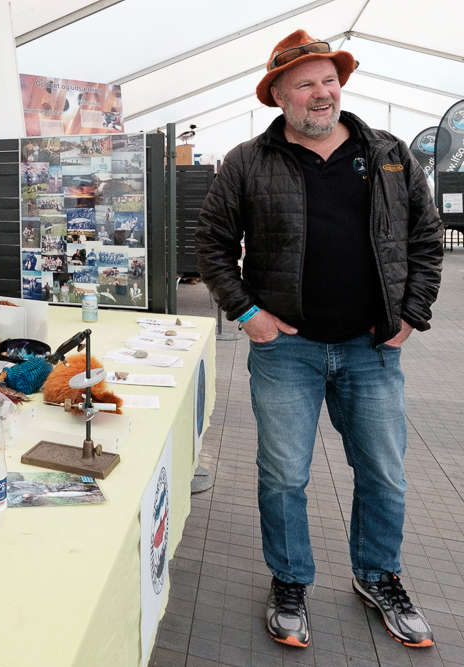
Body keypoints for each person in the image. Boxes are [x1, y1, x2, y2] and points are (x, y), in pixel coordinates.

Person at [196, 30, 442, 650]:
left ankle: (377, 576)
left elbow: (425, 238)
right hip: (286, 350)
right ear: (278, 95)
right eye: (304, 83)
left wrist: (411, 315)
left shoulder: (388, 154)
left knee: (384, 474)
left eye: (329, 79)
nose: (321, 93)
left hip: (372, 347)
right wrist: (248, 313)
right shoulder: (247, 162)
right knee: (283, 476)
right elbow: (213, 245)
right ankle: (289, 581)